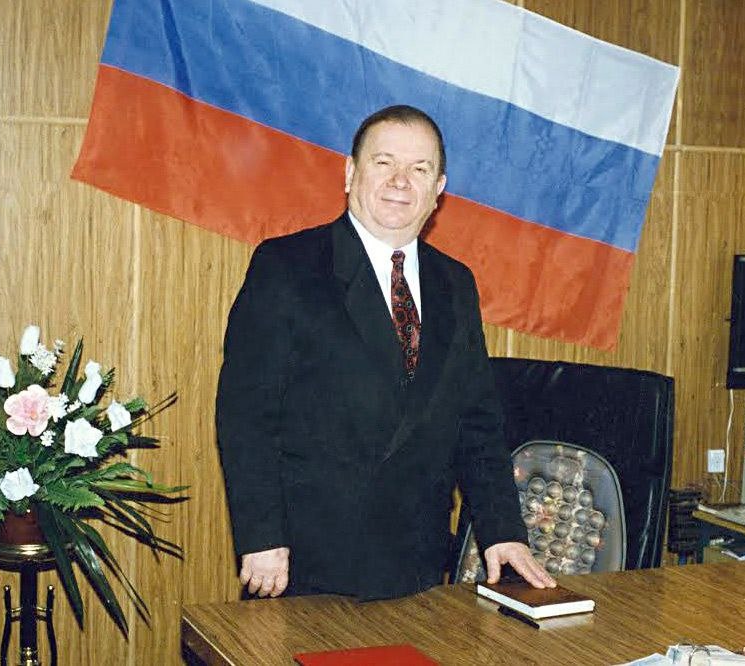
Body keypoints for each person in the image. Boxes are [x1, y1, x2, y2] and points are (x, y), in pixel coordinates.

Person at [216, 104, 555, 600]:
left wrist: (502, 530)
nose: (401, 181)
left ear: (438, 189)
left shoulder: (455, 283)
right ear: (350, 173)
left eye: (419, 169)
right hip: (303, 565)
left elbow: (477, 422)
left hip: (417, 565)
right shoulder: (286, 266)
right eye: (384, 163)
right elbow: (246, 415)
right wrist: (262, 537)